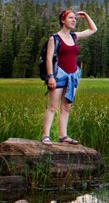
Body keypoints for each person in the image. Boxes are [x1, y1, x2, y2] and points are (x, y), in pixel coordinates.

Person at [40, 9, 97, 145]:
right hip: (59, 75)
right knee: (52, 107)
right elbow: (48, 59)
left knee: (66, 108)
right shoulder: (54, 38)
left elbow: (93, 29)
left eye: (75, 18)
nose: (74, 20)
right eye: (71, 18)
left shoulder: (74, 37)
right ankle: (45, 135)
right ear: (63, 20)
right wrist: (50, 77)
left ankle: (63, 136)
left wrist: (86, 15)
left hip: (72, 76)